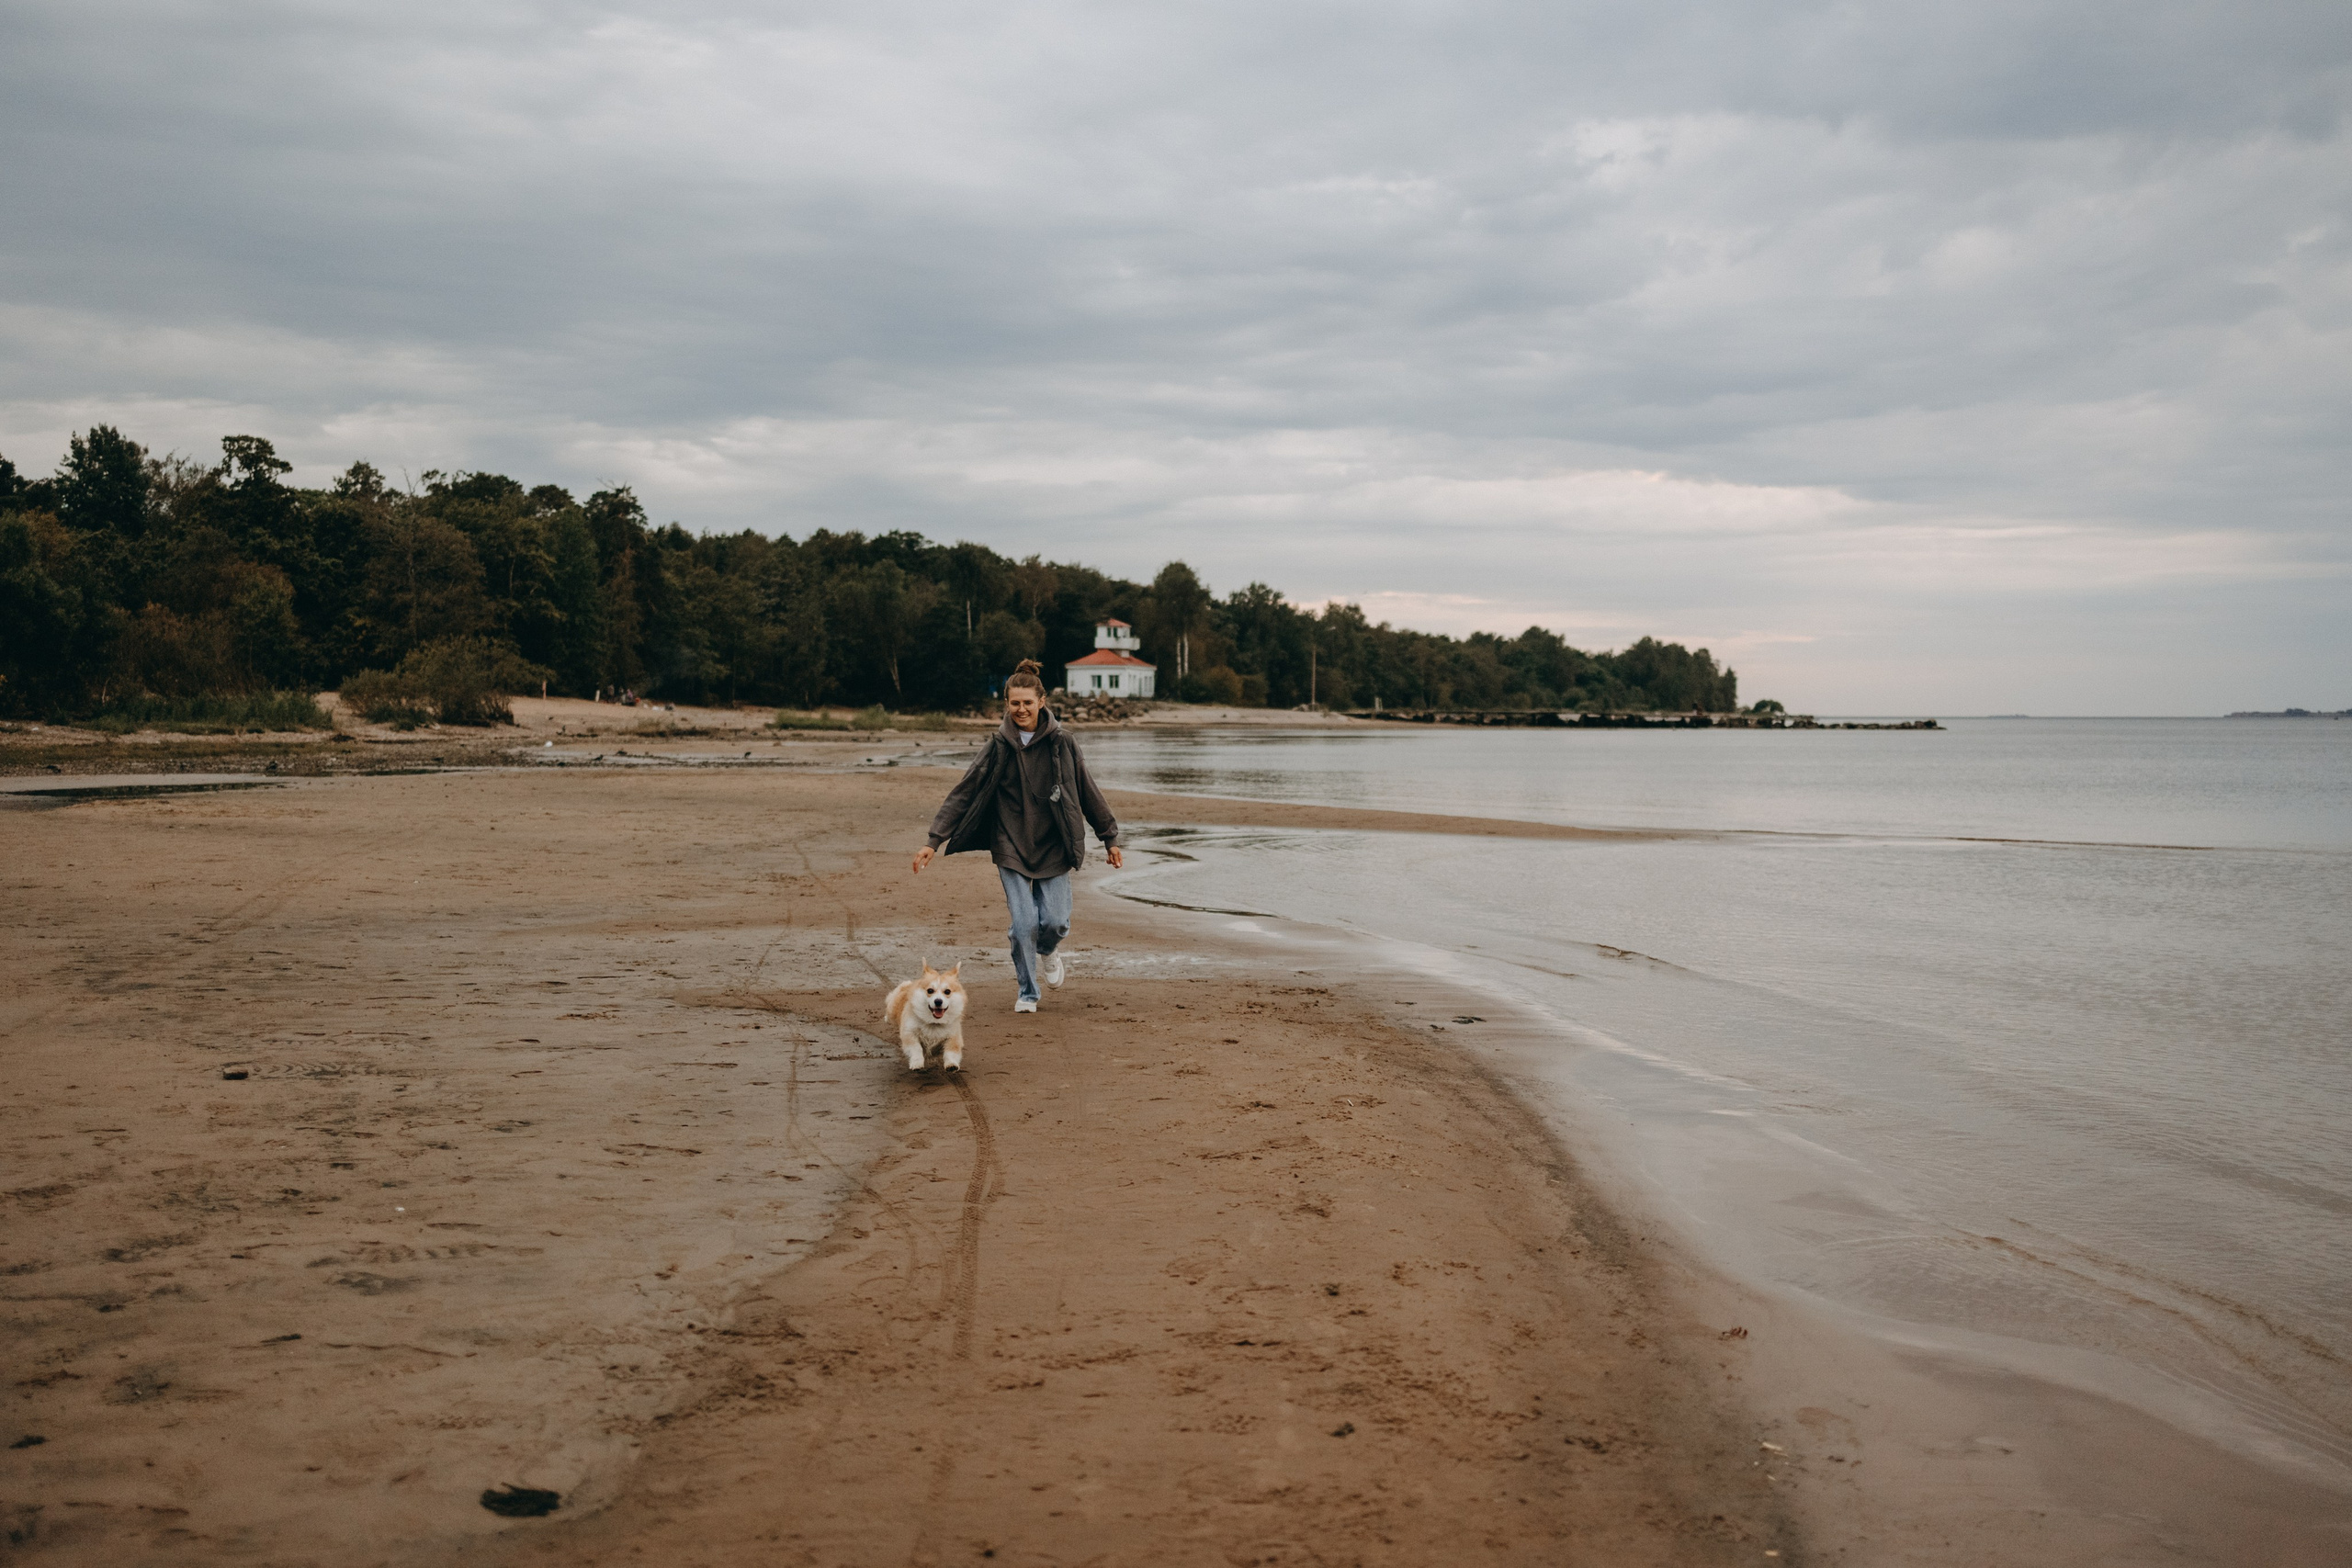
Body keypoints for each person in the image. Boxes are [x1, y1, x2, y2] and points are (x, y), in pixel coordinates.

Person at [911, 660, 1124, 1012]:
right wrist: (934, 840)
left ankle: (1047, 950)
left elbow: (1087, 791)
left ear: (1042, 701)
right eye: (1014, 703)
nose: (1021, 709)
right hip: (1010, 842)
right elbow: (965, 791)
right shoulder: (998, 745)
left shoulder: (1064, 743)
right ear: (1006, 705)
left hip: (1054, 842)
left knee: (1054, 922)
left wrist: (1110, 837)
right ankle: (1028, 992)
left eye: (1027, 702)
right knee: (1024, 922)